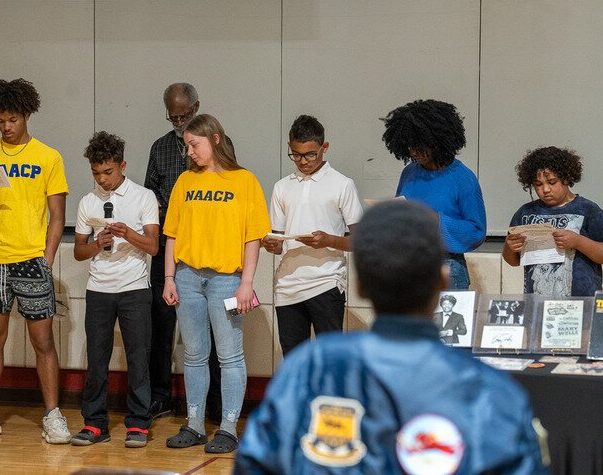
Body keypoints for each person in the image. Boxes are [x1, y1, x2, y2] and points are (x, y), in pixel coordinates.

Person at [236, 200, 548, 474]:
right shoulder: (492, 393)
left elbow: (255, 462)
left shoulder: (308, 369)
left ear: (360, 286)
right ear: (442, 282)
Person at [0, 78, 71, 444]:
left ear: (27, 115)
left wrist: (47, 259)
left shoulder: (48, 156)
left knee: (42, 341)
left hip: (32, 260)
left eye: (13, 119)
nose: (7, 126)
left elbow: (57, 217)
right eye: (1, 120)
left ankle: (53, 415)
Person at [162, 114, 270, 454]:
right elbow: (172, 236)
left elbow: (253, 238)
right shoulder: (184, 182)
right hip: (188, 277)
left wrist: (246, 283)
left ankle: (228, 428)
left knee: (230, 356)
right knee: (193, 355)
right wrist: (169, 277)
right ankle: (194, 425)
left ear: (216, 139)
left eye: (194, 144)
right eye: (186, 146)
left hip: (227, 281)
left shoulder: (245, 181)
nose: (189, 151)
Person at [70, 132, 158, 448]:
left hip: (134, 288)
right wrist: (97, 244)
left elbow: (153, 246)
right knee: (97, 358)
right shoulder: (87, 201)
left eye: (108, 172)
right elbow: (79, 251)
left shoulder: (144, 196)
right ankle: (95, 424)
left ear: (122, 165)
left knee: (138, 357)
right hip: (99, 290)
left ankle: (138, 423)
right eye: (96, 173)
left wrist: (128, 233)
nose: (103, 179)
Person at [144, 83, 225, 421]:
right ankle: (160, 397)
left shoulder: (220, 143)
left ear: (197, 107)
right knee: (161, 325)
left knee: (210, 328)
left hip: (206, 249)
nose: (178, 121)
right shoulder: (160, 147)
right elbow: (149, 200)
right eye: (172, 116)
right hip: (167, 246)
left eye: (184, 115)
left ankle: (214, 403)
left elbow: (227, 194)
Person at [262, 115, 362, 356]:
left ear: (324, 148)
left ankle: (331, 396)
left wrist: (328, 240)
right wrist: (271, 244)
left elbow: (361, 240)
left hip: (325, 281)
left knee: (330, 359)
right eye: (296, 154)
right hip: (287, 285)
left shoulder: (342, 184)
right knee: (295, 361)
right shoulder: (282, 186)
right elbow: (278, 239)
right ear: (289, 147)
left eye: (310, 154)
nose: (303, 161)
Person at [381, 99, 486, 289]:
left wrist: (436, 220)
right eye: (409, 146)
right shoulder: (409, 172)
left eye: (419, 145)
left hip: (446, 267)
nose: (413, 152)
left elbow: (476, 231)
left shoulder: (462, 178)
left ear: (437, 140)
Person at [502, 146, 603, 297]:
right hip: (537, 302)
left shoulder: (588, 210)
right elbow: (512, 261)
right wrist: (510, 247)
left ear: (566, 178)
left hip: (581, 303)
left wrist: (578, 242)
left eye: (552, 182)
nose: (545, 189)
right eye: (538, 184)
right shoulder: (525, 213)